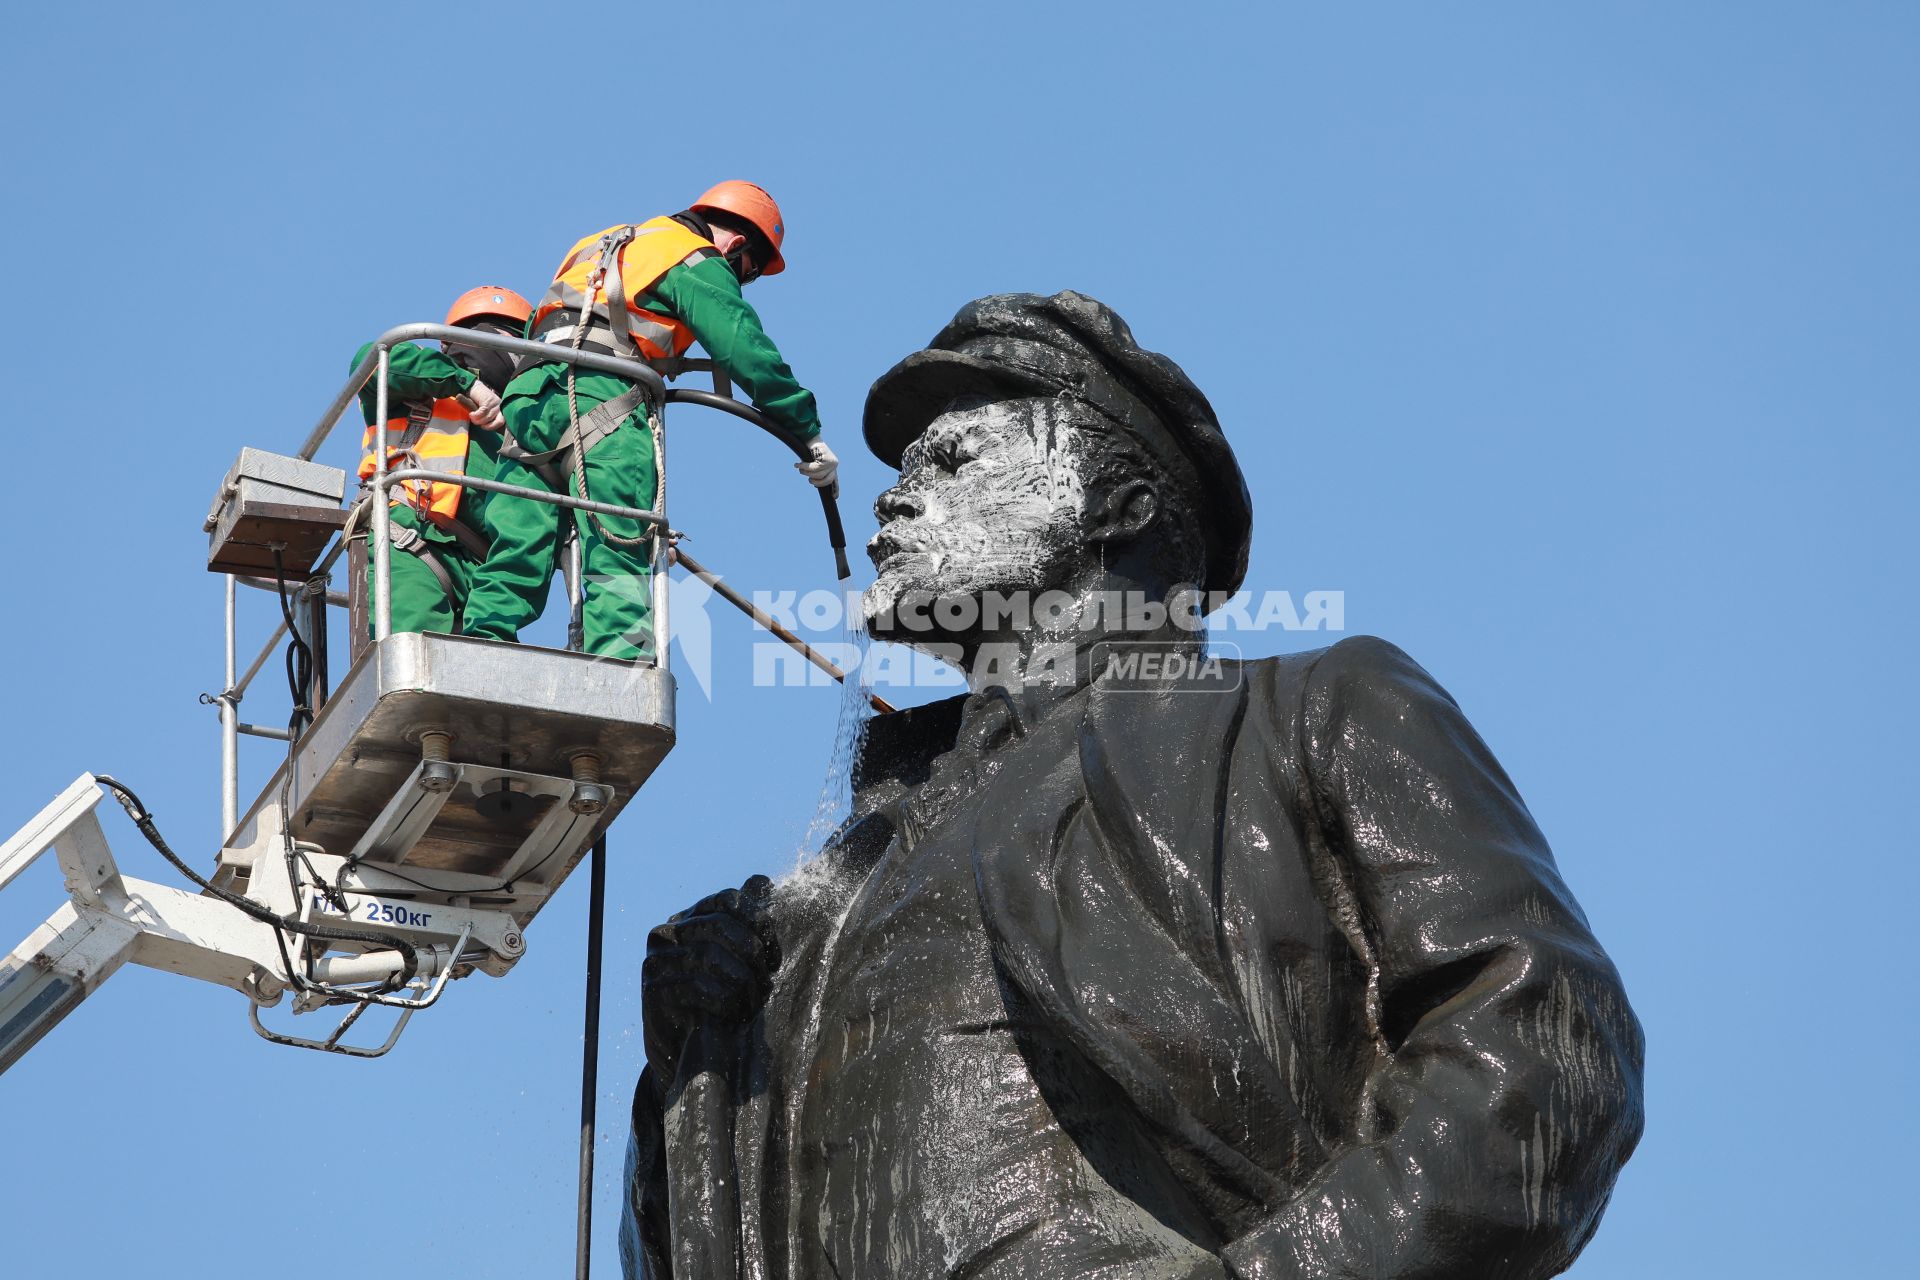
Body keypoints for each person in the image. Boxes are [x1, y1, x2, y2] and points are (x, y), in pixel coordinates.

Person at [626, 293, 1645, 1279]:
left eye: (955, 457)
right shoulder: (849, 868)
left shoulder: (1314, 709)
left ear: (1122, 506)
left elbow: (1544, 1045)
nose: (896, 492)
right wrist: (698, 1070)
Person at [462, 182, 838, 660]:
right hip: (601, 396)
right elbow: (744, 346)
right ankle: (618, 673)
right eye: (750, 273)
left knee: (518, 538)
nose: (742, 280)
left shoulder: (604, 241)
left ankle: (477, 648)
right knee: (618, 538)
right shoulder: (692, 258)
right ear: (738, 245)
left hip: (531, 396)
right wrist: (807, 431)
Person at [353, 286, 530, 637]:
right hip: (410, 544)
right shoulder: (421, 392)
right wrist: (467, 386)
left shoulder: (521, 430)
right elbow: (374, 358)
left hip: (484, 577)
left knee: (483, 684)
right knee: (414, 673)